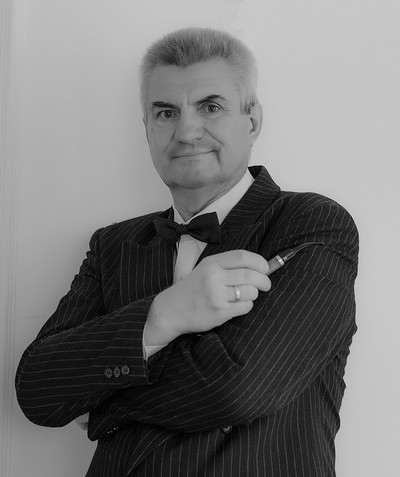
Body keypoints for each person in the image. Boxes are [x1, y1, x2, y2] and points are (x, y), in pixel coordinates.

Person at [15, 27, 358, 477]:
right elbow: (38, 392)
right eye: (165, 112)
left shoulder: (313, 223)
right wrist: (163, 315)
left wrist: (104, 406)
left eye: (210, 107)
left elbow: (238, 388)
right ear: (147, 129)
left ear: (252, 120)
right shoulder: (113, 245)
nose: (186, 131)